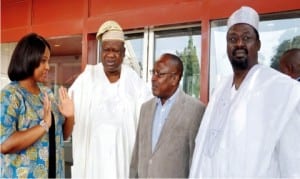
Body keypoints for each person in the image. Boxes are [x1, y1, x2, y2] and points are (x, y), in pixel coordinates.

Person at [189, 6, 300, 178]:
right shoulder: (219, 90)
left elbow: (293, 163)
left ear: (258, 44)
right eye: (232, 38)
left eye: (246, 37)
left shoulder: (283, 90)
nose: (239, 43)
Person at [69, 20, 152, 178]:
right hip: (93, 163)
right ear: (101, 51)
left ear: (123, 52)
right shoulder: (87, 79)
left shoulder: (134, 82)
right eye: (107, 50)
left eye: (115, 50)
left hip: (124, 161)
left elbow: (149, 117)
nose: (111, 55)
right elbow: (68, 114)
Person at [0, 33, 74, 178]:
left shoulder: (47, 93)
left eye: (48, 61)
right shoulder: (10, 95)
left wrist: (70, 116)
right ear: (28, 59)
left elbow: (62, 135)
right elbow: (4, 145)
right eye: (43, 61)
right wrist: (43, 125)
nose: (48, 67)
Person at [130, 53, 206, 178]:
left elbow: (196, 162)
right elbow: (136, 158)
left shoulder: (195, 110)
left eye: (159, 74)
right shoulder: (145, 109)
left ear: (174, 78)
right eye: (153, 72)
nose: (153, 78)